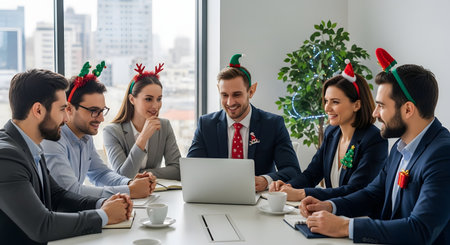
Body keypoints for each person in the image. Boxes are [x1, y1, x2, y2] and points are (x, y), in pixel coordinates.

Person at [299, 48, 450, 244]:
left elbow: (420, 229)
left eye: (381, 106)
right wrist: (329, 206)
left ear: (408, 109)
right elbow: (373, 194)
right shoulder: (401, 147)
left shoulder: (442, 155)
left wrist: (344, 227)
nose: (375, 114)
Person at [0, 69, 131, 244]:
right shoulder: (6, 156)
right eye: (62, 109)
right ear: (38, 110)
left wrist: (103, 203)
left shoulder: (31, 145)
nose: (65, 119)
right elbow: (42, 226)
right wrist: (104, 215)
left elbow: (58, 196)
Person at [269, 60, 388, 201]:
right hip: (330, 213)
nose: (326, 108)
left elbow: (356, 189)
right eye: (326, 101)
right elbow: (311, 174)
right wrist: (288, 186)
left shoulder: (374, 139)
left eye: (335, 102)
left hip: (360, 218)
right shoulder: (332, 132)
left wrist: (303, 194)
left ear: (356, 105)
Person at [41, 62, 156, 199]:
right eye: (94, 111)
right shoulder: (53, 140)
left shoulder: (85, 136)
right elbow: (70, 191)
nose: (101, 119)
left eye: (102, 111)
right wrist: (130, 190)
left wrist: (131, 183)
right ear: (69, 109)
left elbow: (101, 173)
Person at [187, 54, 301, 192]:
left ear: (251, 91)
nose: (230, 102)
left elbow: (292, 170)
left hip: (258, 200)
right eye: (224, 95)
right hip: (216, 197)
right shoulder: (206, 125)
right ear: (219, 91)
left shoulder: (273, 124)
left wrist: (266, 180)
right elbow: (192, 171)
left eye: (236, 95)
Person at [103, 63, 181, 180]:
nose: (155, 106)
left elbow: (177, 170)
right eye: (148, 99)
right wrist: (142, 138)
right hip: (124, 196)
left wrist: (142, 173)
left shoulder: (164, 126)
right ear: (132, 99)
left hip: (155, 193)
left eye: (159, 99)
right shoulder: (111, 132)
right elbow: (122, 177)